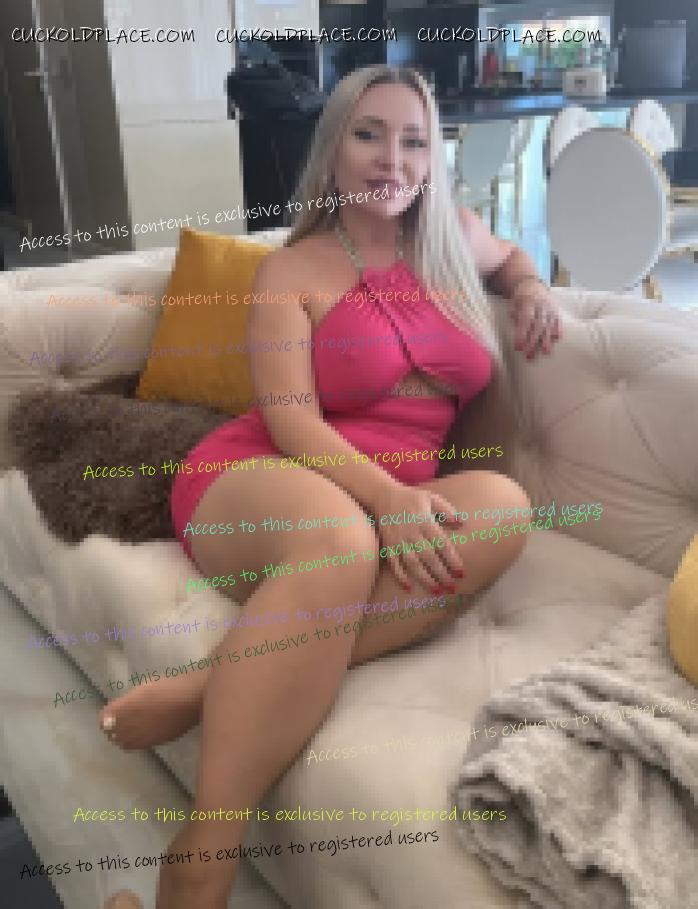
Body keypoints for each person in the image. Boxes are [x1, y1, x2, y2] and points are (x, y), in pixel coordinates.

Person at [98, 64, 561, 909]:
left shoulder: (456, 237)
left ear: (434, 156)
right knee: (340, 542)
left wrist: (529, 288)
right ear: (333, 149)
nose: (392, 159)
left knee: (503, 506)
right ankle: (203, 857)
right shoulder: (292, 271)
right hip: (265, 477)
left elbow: (513, 259)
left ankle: (205, 688)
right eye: (369, 134)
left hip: (385, 501)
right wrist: (386, 500)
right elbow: (292, 421)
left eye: (414, 140)